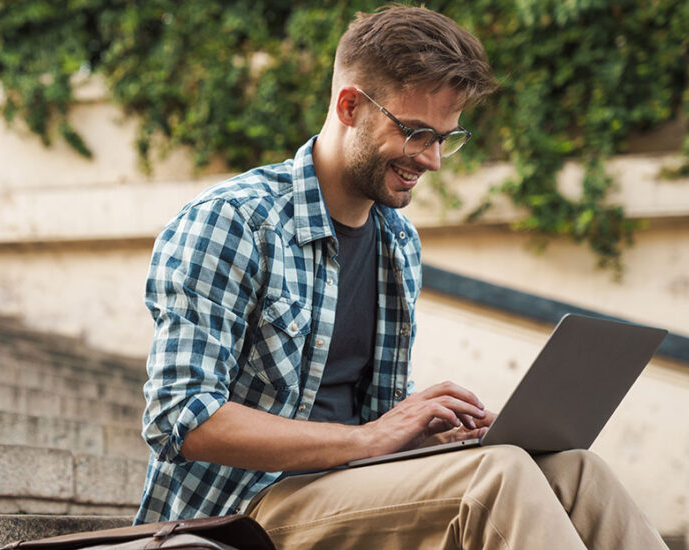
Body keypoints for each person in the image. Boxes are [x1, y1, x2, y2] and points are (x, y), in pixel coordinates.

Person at [134, 5, 668, 549]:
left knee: (576, 469)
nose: (434, 160)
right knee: (495, 479)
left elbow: (368, 424)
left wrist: (427, 434)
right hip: (242, 510)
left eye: (445, 138)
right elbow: (181, 416)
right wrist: (366, 438)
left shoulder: (397, 242)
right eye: (416, 133)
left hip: (350, 486)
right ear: (349, 106)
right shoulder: (235, 220)